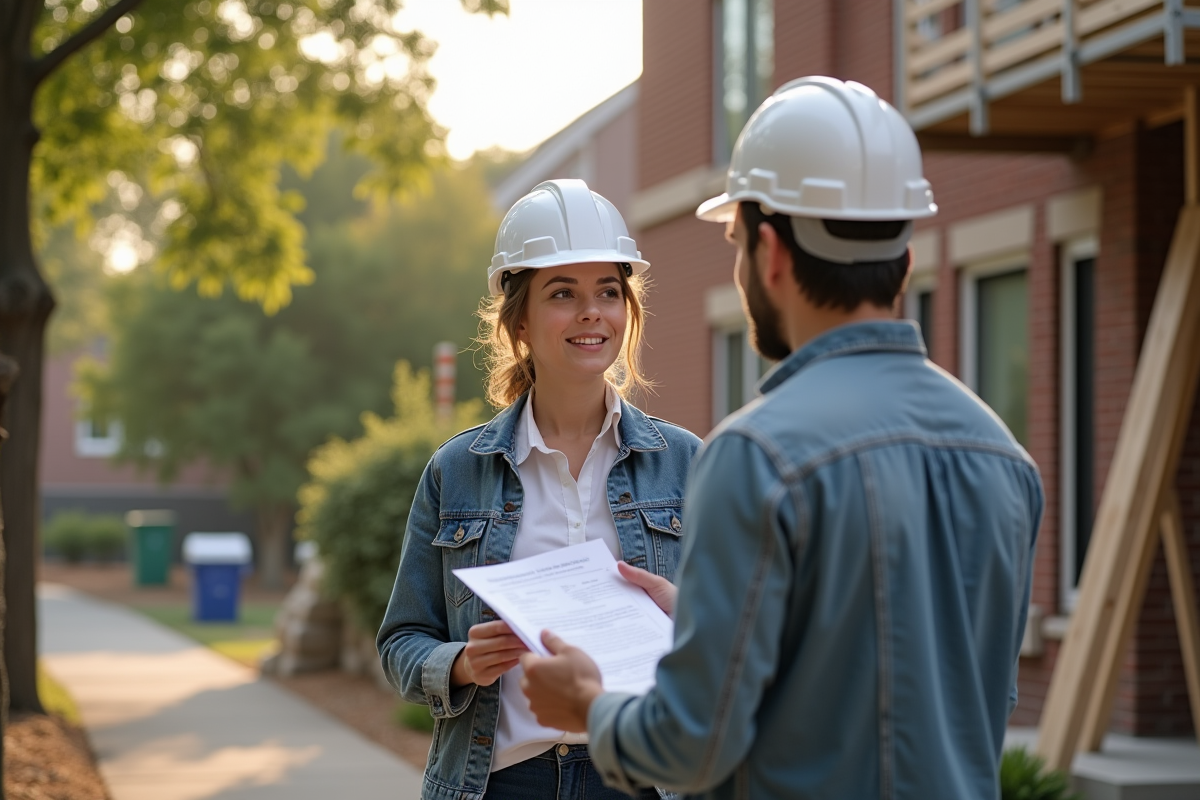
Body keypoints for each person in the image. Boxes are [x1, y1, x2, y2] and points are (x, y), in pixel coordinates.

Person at [519, 77, 1044, 799]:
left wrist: (588, 705)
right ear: (905, 257)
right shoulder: (1004, 459)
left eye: (733, 242)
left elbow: (692, 746)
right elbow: (960, 700)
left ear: (768, 253)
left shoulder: (757, 456)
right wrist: (710, 618)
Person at [377, 178, 702, 800]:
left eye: (609, 291)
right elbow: (401, 641)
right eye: (563, 293)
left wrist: (683, 616)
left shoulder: (688, 463)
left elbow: (743, 639)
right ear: (519, 321)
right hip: (499, 782)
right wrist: (462, 664)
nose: (591, 312)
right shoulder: (457, 470)